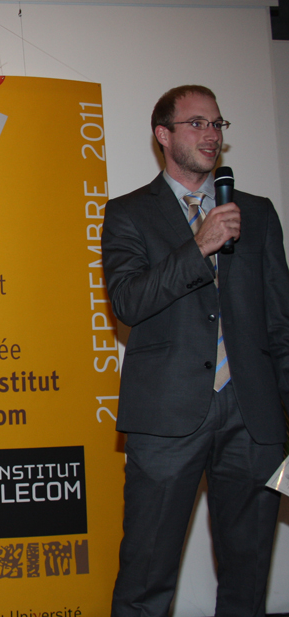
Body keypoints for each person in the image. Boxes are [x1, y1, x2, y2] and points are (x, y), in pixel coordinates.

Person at [102, 85, 289, 617]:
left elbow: (280, 323)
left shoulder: (256, 212)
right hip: (166, 416)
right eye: (197, 123)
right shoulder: (128, 213)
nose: (211, 135)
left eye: (217, 124)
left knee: (248, 578)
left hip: (253, 417)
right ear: (163, 135)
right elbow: (128, 302)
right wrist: (199, 245)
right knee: (146, 577)